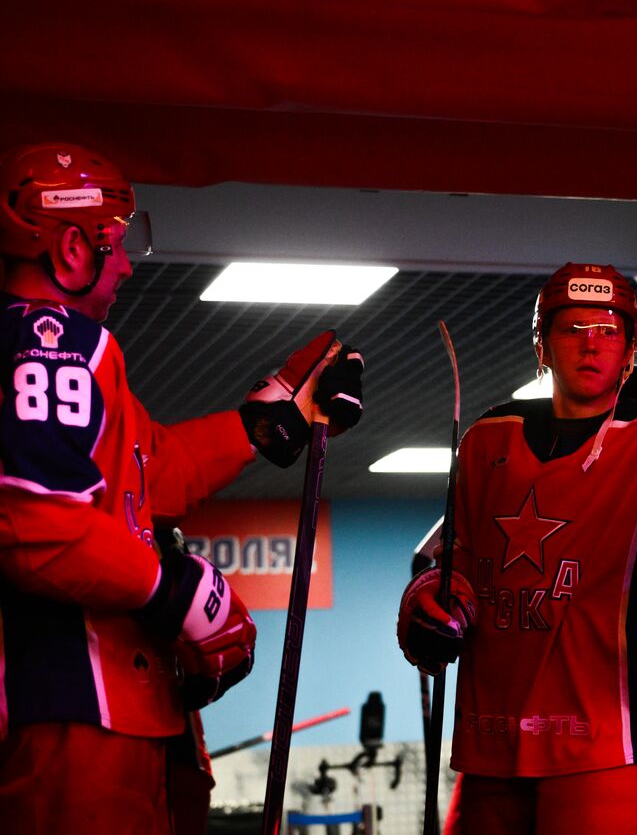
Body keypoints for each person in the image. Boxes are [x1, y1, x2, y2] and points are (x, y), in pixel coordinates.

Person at [0, 142, 365, 834]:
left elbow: (151, 469)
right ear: (72, 248)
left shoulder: (62, 354)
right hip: (74, 713)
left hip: (105, 714)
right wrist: (176, 594)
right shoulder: (57, 342)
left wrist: (266, 422)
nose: (128, 262)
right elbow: (34, 519)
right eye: (116, 240)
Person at [397, 261, 637, 835]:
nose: (590, 346)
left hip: (603, 746)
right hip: (490, 745)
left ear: (631, 348)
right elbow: (458, 566)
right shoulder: (486, 439)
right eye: (572, 329)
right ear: (542, 345)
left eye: (608, 331)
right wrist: (430, 606)